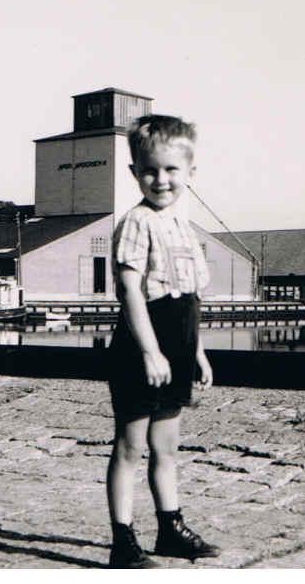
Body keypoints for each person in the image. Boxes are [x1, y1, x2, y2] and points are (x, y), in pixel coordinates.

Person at [105, 115, 219, 569]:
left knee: (166, 446)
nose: (161, 180)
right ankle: (122, 542)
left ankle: (170, 529)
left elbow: (189, 299)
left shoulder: (183, 226)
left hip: (178, 348)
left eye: (172, 169)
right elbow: (130, 290)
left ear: (191, 172)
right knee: (130, 446)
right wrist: (150, 351)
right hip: (142, 349)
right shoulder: (137, 222)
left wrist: (197, 352)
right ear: (134, 172)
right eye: (150, 170)